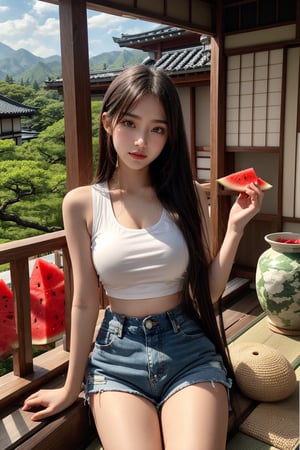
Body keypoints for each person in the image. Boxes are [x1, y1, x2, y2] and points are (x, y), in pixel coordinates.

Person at [23, 64, 263, 450]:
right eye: (130, 123)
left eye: (157, 129)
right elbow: (84, 301)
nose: (141, 140)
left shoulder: (188, 197)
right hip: (117, 358)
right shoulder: (82, 204)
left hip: (188, 349)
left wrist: (234, 227)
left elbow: (210, 292)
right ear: (107, 122)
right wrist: (71, 387)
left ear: (169, 135)